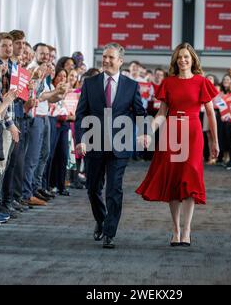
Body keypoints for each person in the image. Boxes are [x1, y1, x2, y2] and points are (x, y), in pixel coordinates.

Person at [136, 43, 219, 247]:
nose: (183, 60)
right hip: (171, 132)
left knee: (189, 177)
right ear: (175, 61)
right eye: (179, 57)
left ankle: (187, 229)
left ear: (193, 60)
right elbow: (161, 114)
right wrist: (149, 132)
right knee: (174, 180)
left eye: (186, 57)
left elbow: (210, 113)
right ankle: (175, 229)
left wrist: (214, 141)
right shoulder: (168, 83)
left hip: (193, 132)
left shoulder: (201, 82)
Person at [75, 43, 148, 249]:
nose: (106, 60)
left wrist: (144, 133)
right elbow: (81, 113)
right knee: (92, 188)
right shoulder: (90, 83)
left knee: (114, 189)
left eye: (111, 58)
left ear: (120, 61)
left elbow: (140, 112)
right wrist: (80, 139)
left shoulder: (131, 85)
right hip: (94, 142)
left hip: (120, 144)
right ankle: (101, 218)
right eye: (104, 57)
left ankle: (109, 232)